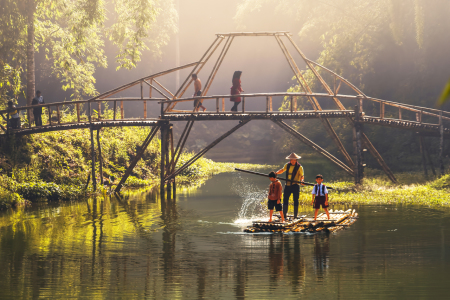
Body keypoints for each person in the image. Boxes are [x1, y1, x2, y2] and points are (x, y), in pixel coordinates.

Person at [276, 152, 304, 219]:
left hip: (295, 185)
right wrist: (276, 173)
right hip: (287, 185)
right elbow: (282, 170)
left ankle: (295, 216)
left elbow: (301, 176)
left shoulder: (299, 167)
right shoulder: (287, 165)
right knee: (285, 200)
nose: (293, 161)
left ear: (296, 160)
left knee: (295, 200)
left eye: (294, 160)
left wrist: (302, 181)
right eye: (292, 160)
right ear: (290, 160)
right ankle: (284, 215)